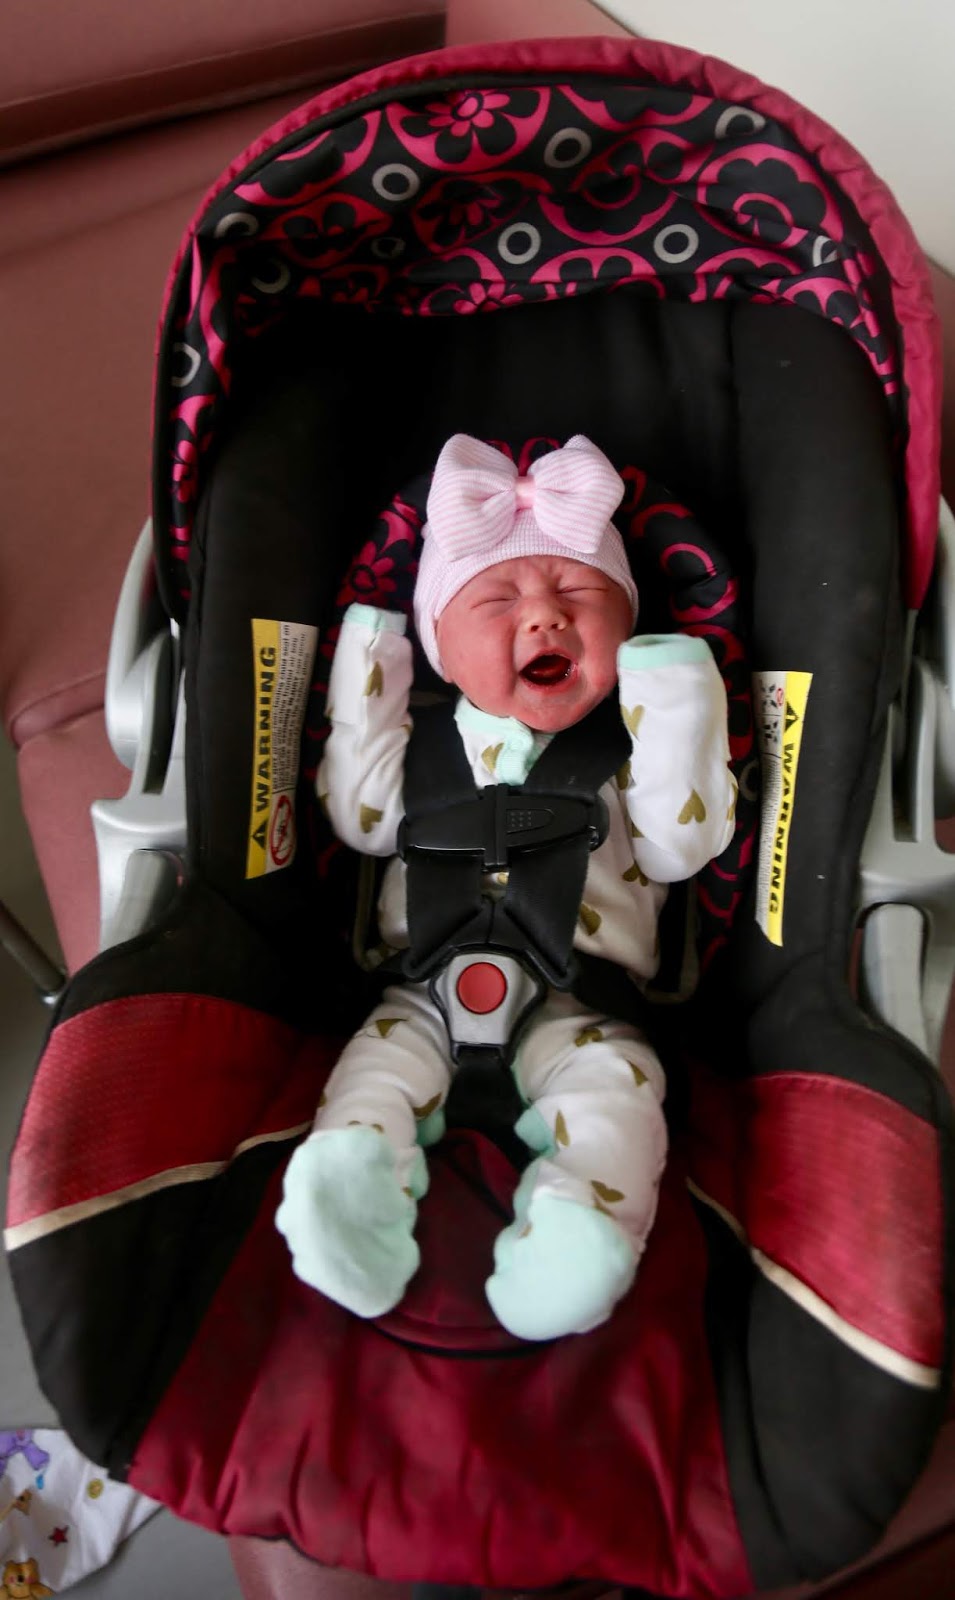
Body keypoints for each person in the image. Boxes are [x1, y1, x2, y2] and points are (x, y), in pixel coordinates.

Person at [276, 433, 736, 1340]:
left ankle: (579, 1232)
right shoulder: (423, 750)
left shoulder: (628, 751)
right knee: (369, 1084)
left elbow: (682, 845)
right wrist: (371, 655)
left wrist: (673, 688)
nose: (543, 619)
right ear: (439, 651)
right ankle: (345, 1192)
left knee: (616, 1099)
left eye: (579, 596)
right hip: (417, 997)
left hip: (584, 1006)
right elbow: (361, 819)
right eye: (496, 601)